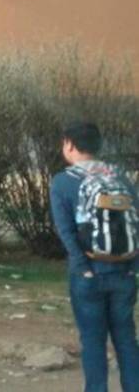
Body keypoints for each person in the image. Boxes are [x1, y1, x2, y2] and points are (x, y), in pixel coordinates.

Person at [50, 121, 139, 392]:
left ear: (69, 144)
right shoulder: (120, 178)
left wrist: (83, 268)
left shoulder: (63, 181)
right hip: (123, 272)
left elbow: (65, 230)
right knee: (126, 340)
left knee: (92, 342)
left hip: (88, 273)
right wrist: (133, 266)